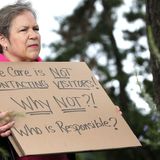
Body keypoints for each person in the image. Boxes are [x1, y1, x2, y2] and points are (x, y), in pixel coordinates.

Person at [0, 1, 73, 160]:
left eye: (36, 29)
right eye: (23, 30)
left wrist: (103, 114)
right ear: (3, 40)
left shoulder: (58, 79)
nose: (33, 35)